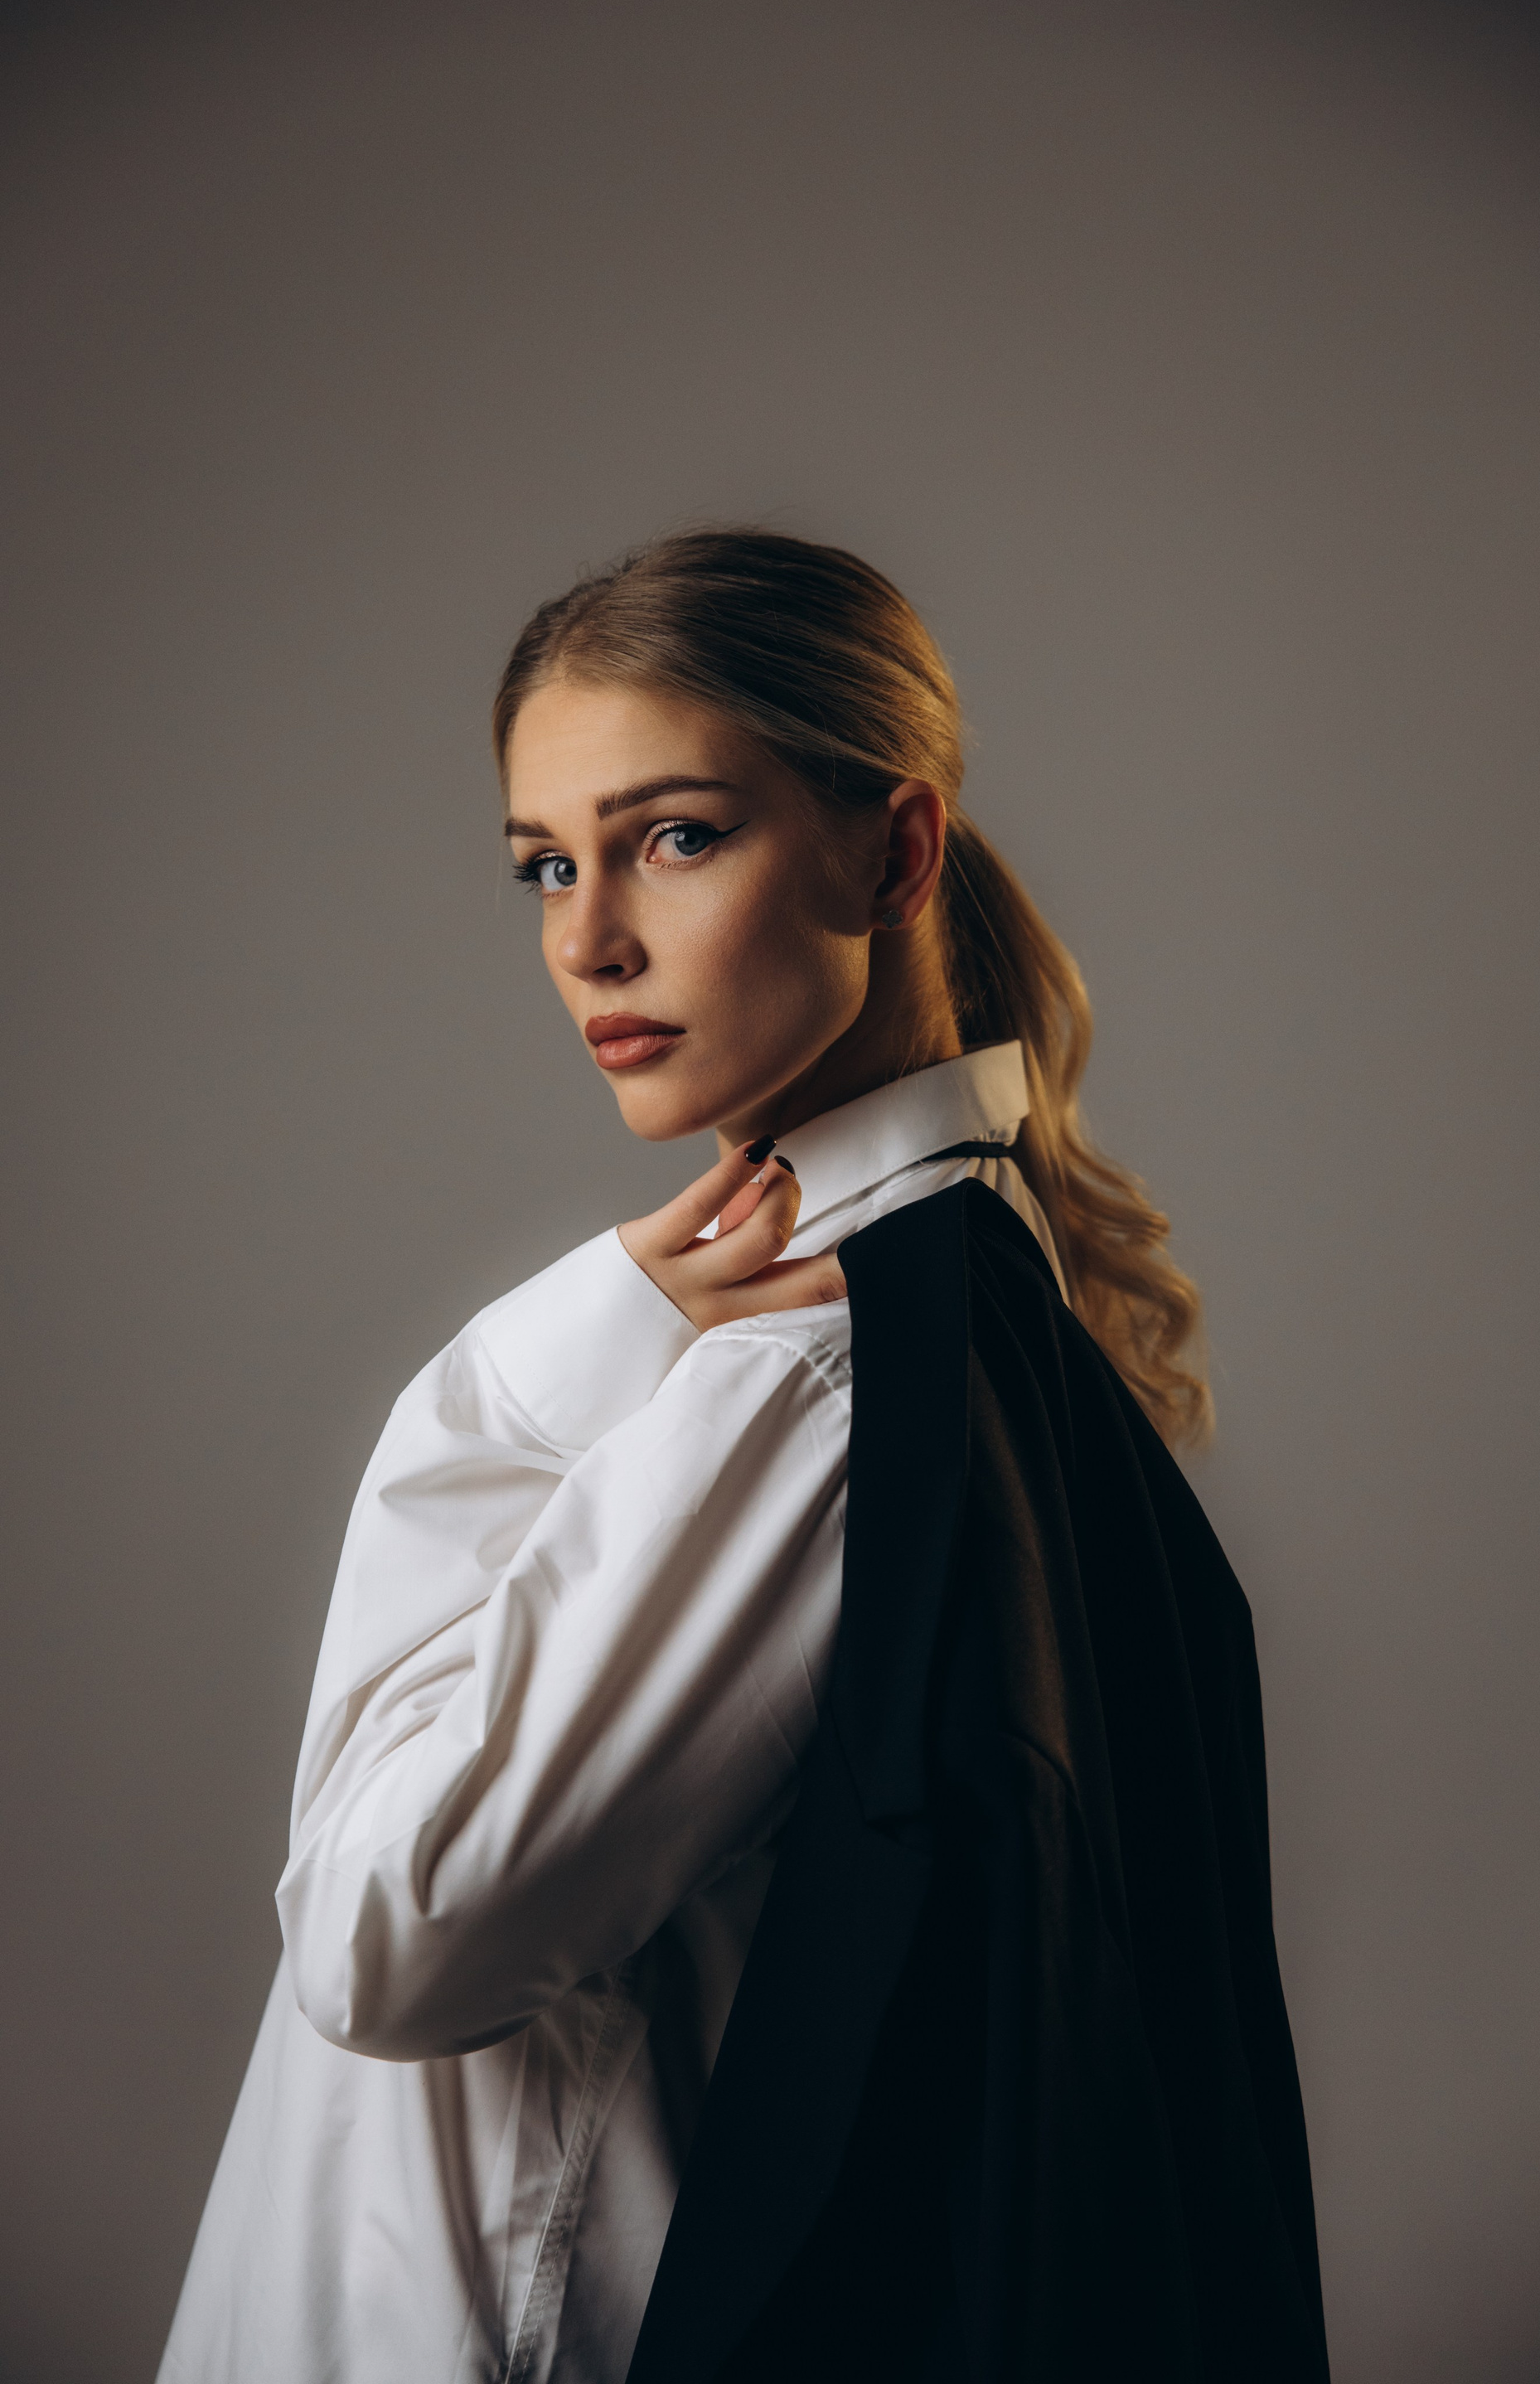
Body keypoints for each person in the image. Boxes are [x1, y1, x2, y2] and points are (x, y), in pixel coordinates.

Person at [159, 529, 1321, 2384]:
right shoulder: (931, 1307)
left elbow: (384, 1943)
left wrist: (518, 1374)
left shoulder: (807, 1379)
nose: (586, 940)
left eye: (677, 837)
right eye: (549, 863)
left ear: (894, 853)